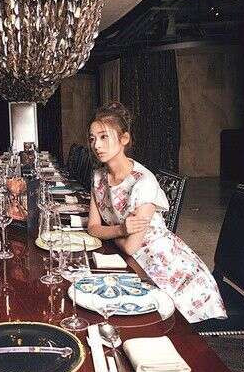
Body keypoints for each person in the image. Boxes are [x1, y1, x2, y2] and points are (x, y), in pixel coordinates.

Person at [86, 102, 226, 323]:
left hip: (168, 270)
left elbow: (130, 247)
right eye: (92, 138)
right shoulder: (98, 177)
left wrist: (112, 233)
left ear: (124, 139)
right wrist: (121, 230)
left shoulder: (143, 182)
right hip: (132, 263)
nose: (97, 145)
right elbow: (93, 228)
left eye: (104, 137)